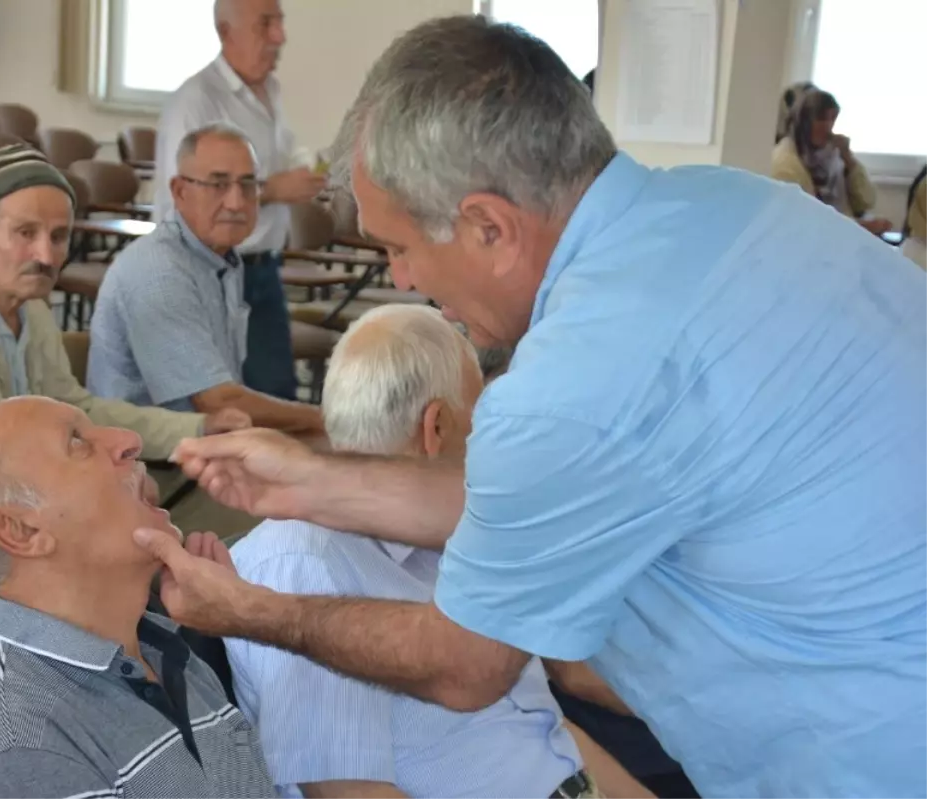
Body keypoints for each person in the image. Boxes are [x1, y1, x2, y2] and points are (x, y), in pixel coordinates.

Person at [131, 17, 927, 799]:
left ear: (488, 226)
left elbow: (465, 664)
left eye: (400, 247)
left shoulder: (575, 375)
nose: (402, 281)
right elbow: (538, 496)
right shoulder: (731, 204)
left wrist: (250, 611)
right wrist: (309, 481)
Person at [227, 304, 655, 799]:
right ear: (437, 429)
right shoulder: (304, 562)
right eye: (484, 418)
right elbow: (352, 794)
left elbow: (546, 730)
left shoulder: (451, 535)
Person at [0, 145, 254, 625]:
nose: (46, 254)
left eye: (59, 237)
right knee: (145, 570)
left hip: (20, 527)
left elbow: (76, 409)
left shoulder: (28, 305)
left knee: (216, 500)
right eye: (25, 233)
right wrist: (110, 488)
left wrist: (199, 429)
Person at [0, 396, 273, 798]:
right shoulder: (20, 746)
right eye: (77, 441)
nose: (130, 440)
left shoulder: (154, 645)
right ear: (19, 530)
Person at [90, 124, 322, 436]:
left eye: (248, 185)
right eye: (218, 185)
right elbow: (219, 403)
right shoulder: (160, 272)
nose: (236, 202)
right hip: (143, 464)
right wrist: (325, 419)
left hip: (201, 447)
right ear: (180, 191)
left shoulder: (219, 257)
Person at [154, 0, 327, 401]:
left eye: (280, 22)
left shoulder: (271, 91)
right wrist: (271, 191)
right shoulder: (196, 101)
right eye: (266, 24)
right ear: (225, 32)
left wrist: (305, 171)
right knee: (220, 403)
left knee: (276, 395)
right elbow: (182, 200)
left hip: (262, 269)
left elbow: (278, 159)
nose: (280, 36)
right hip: (208, 272)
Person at [771, 87, 892, 235]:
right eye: (821, 118)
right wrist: (861, 227)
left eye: (832, 118)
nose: (828, 125)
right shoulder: (786, 161)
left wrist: (849, 160)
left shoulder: (834, 155)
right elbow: (805, 220)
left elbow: (867, 201)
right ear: (804, 121)